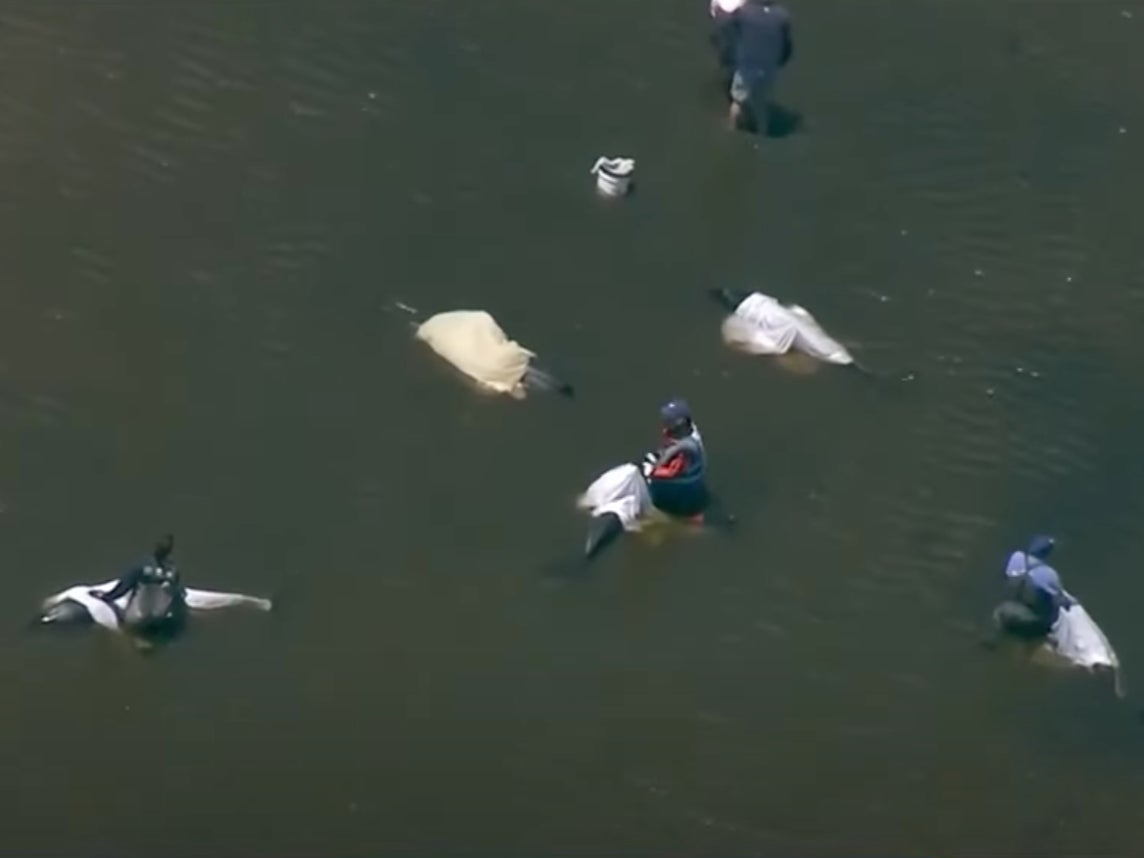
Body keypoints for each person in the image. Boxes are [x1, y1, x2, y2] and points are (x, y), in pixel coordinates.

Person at [712, 0, 794, 134]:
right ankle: (763, 130)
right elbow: (787, 46)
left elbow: (728, 29)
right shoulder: (782, 16)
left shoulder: (744, 12)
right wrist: (781, 61)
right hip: (769, 67)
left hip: (747, 65)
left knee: (738, 101)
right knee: (761, 104)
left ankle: (731, 127)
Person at [95, 534, 186, 634]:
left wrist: (106, 597)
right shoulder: (173, 570)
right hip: (159, 620)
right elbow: (179, 594)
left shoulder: (143, 565)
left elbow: (124, 586)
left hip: (136, 618)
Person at [991, 535, 1075, 643]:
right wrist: (1072, 601)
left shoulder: (1016, 557)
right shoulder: (1049, 574)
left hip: (1008, 611)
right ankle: (1040, 642)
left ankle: (994, 642)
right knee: (1048, 619)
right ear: (1047, 553)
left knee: (999, 613)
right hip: (1033, 621)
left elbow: (1004, 575)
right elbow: (1062, 602)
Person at [638, 399, 709, 519]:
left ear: (680, 423)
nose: (665, 422)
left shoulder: (685, 451)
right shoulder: (687, 430)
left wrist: (650, 472)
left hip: (680, 495)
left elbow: (673, 472)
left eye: (669, 420)